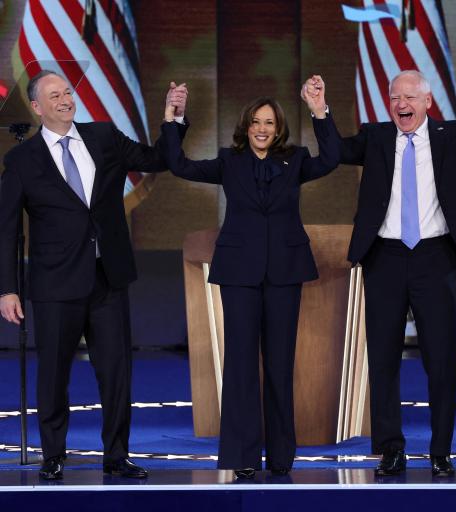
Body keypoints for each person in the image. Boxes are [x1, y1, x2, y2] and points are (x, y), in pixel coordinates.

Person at [303, 62, 456, 477]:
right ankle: (391, 449)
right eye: (395, 97)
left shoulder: (450, 135)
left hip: (434, 257)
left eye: (409, 97)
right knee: (382, 357)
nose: (401, 104)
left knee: (441, 359)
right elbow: (336, 153)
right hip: (383, 257)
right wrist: (319, 111)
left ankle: (441, 450)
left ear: (427, 101)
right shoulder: (376, 137)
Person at [0, 70, 188, 480]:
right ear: (36, 107)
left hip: (108, 275)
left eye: (68, 91)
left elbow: (157, 159)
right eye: (55, 95)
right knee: (53, 373)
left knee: (116, 371)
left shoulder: (104, 136)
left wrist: (173, 119)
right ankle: (53, 455)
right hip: (54, 282)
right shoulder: (21, 160)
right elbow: (7, 228)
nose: (66, 99)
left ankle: (116, 455)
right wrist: (7, 289)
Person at [160, 75, 339, 479]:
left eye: (270, 123)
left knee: (280, 364)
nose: (262, 129)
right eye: (256, 122)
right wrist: (174, 118)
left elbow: (332, 159)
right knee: (240, 364)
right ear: (246, 126)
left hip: (284, 274)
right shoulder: (229, 161)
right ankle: (242, 456)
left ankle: (279, 457)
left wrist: (319, 110)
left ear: (279, 130)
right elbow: (179, 164)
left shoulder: (295, 161)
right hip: (239, 274)